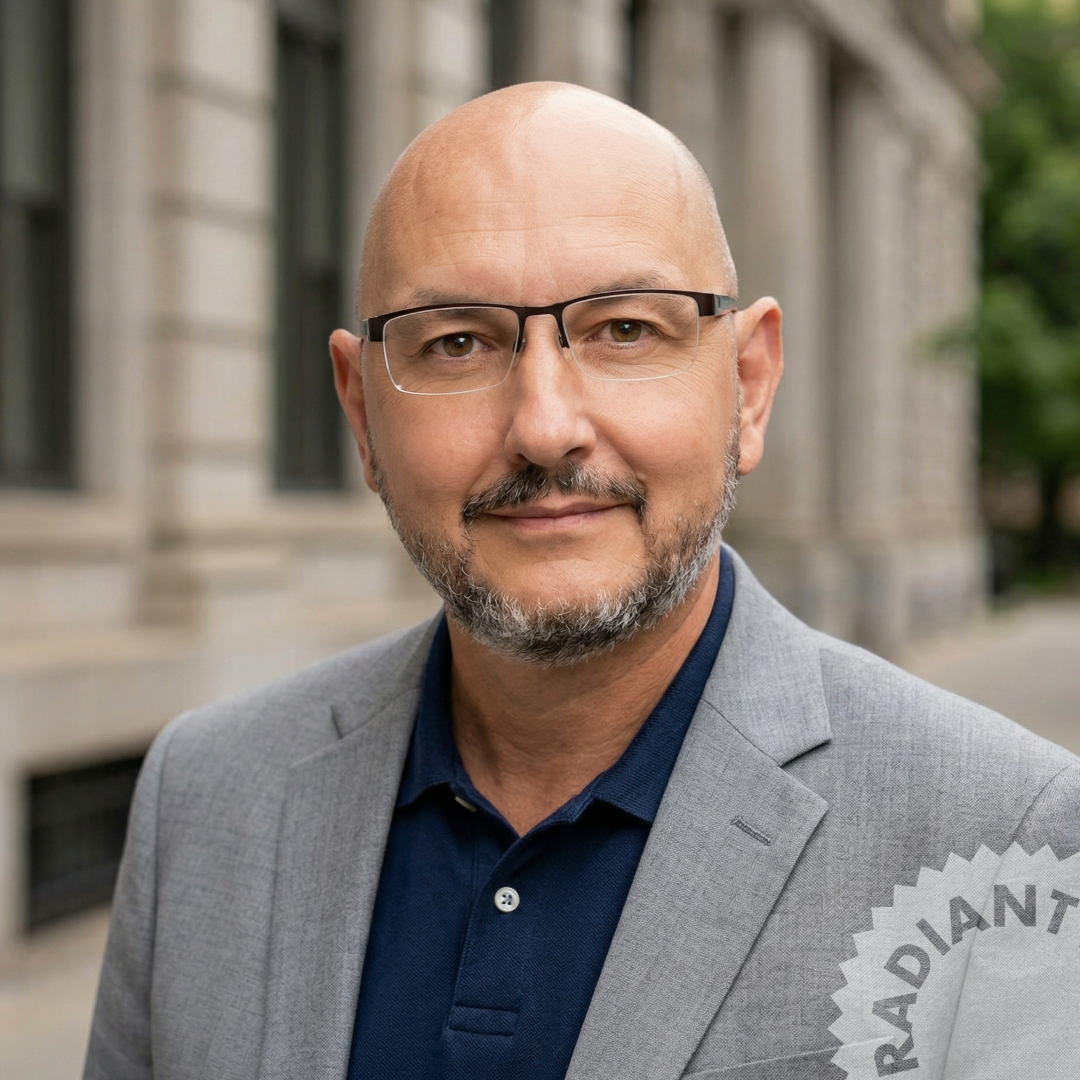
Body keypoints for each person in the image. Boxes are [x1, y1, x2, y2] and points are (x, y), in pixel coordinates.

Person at [84, 83, 1080, 1080]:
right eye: (458, 342)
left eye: (624, 331)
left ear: (748, 384)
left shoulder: (1005, 836)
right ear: (361, 414)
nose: (544, 425)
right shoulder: (204, 798)